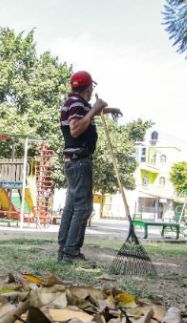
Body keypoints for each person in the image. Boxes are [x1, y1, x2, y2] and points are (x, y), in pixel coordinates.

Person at [57, 70, 121, 263]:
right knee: (83, 208)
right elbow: (76, 129)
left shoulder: (74, 103)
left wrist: (107, 110)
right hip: (79, 161)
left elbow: (86, 113)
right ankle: (71, 252)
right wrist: (94, 110)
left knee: (71, 207)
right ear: (90, 87)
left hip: (73, 161)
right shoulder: (78, 104)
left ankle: (64, 250)